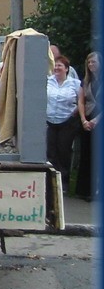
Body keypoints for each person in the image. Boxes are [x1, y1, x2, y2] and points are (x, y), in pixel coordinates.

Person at [46, 55, 81, 190]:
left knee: (64, 151)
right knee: (51, 152)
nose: (56, 68)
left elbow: (81, 100)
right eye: (55, 65)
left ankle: (64, 182)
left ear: (66, 69)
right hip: (50, 121)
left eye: (60, 65)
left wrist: (75, 111)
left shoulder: (75, 83)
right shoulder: (48, 81)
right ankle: (51, 181)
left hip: (67, 121)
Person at [76, 51, 100, 201]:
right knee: (86, 154)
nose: (91, 65)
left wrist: (96, 120)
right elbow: (81, 101)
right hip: (88, 118)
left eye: (94, 62)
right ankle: (85, 190)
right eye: (89, 62)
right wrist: (84, 119)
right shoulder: (85, 81)